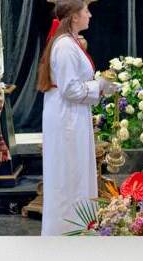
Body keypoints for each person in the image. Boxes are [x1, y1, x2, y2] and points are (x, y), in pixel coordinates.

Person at [36, 0, 119, 236]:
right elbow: (70, 89)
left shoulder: (70, 43)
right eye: (86, 11)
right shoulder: (64, 47)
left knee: (75, 174)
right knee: (67, 176)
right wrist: (100, 85)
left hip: (72, 116)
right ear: (74, 16)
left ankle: (78, 228)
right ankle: (64, 231)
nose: (90, 15)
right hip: (67, 120)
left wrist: (100, 87)